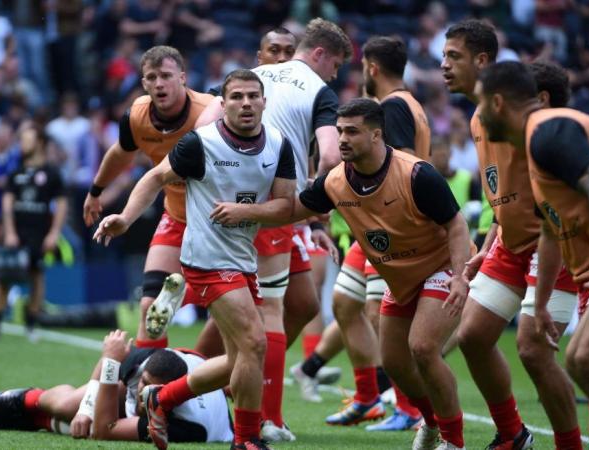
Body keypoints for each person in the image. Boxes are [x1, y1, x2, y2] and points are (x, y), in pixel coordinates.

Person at [212, 98, 474, 450]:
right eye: (339, 132)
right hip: (399, 279)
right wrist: (247, 211)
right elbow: (291, 210)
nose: (342, 139)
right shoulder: (334, 181)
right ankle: (429, 422)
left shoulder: (416, 174)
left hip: (440, 268)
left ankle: (454, 441)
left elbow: (456, 226)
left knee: (423, 347)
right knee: (396, 363)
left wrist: (460, 276)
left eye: (352, 131)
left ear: (377, 135)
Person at [94, 69, 296, 450]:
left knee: (237, 358)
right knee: (255, 343)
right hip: (205, 259)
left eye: (253, 96)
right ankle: (247, 439)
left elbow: (285, 205)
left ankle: (161, 397)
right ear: (223, 105)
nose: (246, 104)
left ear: (265, 102)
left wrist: (244, 213)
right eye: (236, 97)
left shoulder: (279, 145)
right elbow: (154, 178)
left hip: (242, 260)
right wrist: (124, 217)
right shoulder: (200, 144)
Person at [195, 19, 351, 441]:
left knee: (302, 303)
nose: (334, 75)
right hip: (272, 206)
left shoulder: (254, 80)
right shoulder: (319, 90)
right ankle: (264, 417)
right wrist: (319, 204)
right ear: (320, 55)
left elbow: (200, 130)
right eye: (335, 65)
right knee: (269, 311)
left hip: (271, 209)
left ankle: (204, 371)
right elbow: (332, 157)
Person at [441, 20, 581, 449]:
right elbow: (502, 193)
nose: (444, 66)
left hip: (555, 241)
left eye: (454, 57)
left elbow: (551, 199)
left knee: (534, 351)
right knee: (471, 336)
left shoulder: (525, 117)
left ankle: (570, 443)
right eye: (444, 56)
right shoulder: (481, 116)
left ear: (482, 61)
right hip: (508, 243)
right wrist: (486, 248)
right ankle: (512, 434)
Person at [292, 35, 433, 429]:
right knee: (344, 302)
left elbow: (402, 166)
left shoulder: (390, 108)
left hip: (391, 226)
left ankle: (406, 407)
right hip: (373, 226)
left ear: (371, 67)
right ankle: (368, 397)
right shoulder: (412, 104)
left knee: (379, 316)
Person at [475, 60, 589, 447]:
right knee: (582, 358)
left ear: (497, 103)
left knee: (586, 357)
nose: (477, 114)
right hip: (584, 269)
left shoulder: (548, 131)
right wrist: (543, 301)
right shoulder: (533, 149)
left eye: (480, 104)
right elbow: (550, 227)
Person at [82, 45, 214, 350]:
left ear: (183, 77)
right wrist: (95, 191)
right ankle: (145, 390)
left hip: (218, 222)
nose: (159, 84)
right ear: (143, 83)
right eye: (151, 77)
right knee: (148, 308)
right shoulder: (137, 116)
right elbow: (120, 155)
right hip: (177, 217)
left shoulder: (209, 112)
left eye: (166, 76)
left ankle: (197, 374)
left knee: (222, 315)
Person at [0, 330, 233, 444]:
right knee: (69, 407)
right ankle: (27, 399)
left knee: (91, 430)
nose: (143, 395)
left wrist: (91, 417)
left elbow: (105, 431)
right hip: (175, 364)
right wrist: (86, 409)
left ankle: (39, 422)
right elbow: (109, 360)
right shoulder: (143, 362)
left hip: (193, 418)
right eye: (143, 384)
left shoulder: (187, 426)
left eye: (151, 391)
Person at [0, 123, 67, 343]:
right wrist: (9, 232)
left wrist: (54, 233)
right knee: (4, 278)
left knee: (36, 277)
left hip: (39, 233)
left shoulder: (52, 173)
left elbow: (62, 204)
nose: (23, 144)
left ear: (40, 143)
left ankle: (31, 326)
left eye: (27, 140)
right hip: (16, 233)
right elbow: (7, 203)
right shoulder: (15, 172)